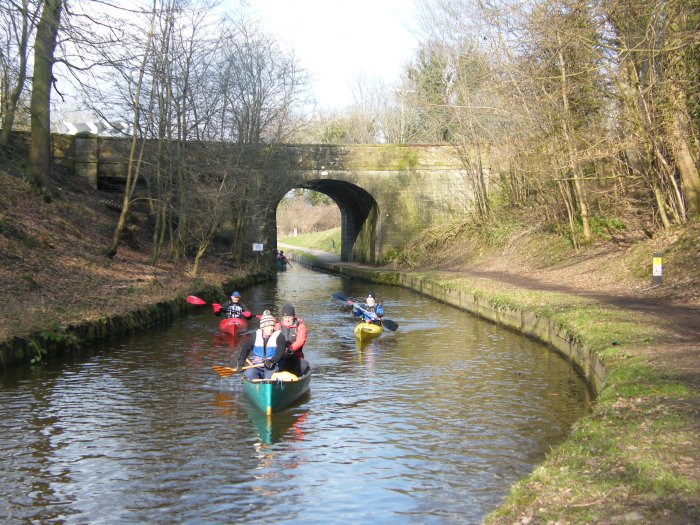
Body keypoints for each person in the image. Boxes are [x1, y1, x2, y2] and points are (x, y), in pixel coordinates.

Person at [235, 310, 285, 379]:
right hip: (256, 366)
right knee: (249, 374)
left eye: (272, 325)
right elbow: (245, 349)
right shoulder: (254, 336)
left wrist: (272, 361)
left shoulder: (279, 336)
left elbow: (280, 352)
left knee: (270, 377)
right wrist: (241, 362)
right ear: (262, 327)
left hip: (272, 366)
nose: (271, 328)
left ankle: (268, 383)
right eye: (268, 326)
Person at [274, 303, 310, 377]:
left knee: (304, 365)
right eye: (285, 317)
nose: (287, 320)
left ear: (293, 317)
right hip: (281, 357)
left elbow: (300, 341)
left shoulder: (301, 327)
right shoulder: (277, 326)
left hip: (296, 358)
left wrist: (290, 349)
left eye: (289, 317)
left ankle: (296, 378)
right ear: (283, 317)